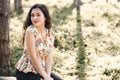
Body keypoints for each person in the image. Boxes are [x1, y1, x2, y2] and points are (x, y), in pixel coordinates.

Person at [15, 4, 62, 80]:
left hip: (40, 70)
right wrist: (45, 77)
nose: (34, 18)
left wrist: (48, 76)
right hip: (25, 71)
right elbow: (33, 57)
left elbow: (48, 58)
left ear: (45, 17)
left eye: (38, 15)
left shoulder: (50, 34)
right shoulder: (30, 31)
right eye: (32, 15)